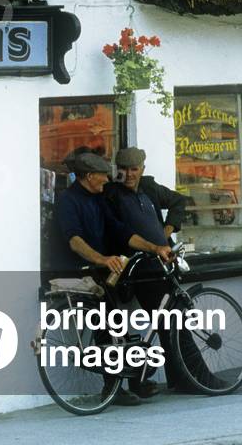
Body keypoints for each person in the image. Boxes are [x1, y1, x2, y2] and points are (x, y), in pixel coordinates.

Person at [53, 151, 174, 404]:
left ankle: (135, 379)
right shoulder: (68, 201)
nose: (107, 181)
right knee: (106, 328)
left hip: (100, 272)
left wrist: (155, 247)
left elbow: (121, 231)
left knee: (117, 327)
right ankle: (114, 389)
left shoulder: (98, 199)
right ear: (88, 177)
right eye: (102, 177)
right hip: (79, 272)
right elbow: (74, 240)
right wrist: (101, 259)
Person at [104, 147, 193, 391]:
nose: (130, 174)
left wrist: (168, 231)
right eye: (124, 170)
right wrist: (154, 247)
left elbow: (178, 200)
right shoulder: (112, 194)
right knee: (166, 319)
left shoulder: (149, 187)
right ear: (117, 170)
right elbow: (119, 232)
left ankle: (181, 377)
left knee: (172, 320)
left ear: (142, 168)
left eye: (134, 169)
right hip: (139, 267)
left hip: (163, 263)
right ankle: (177, 377)